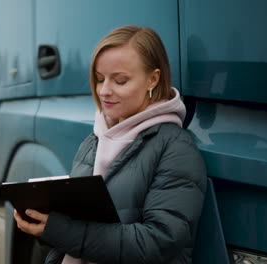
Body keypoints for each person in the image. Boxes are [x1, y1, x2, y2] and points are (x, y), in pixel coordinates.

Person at [13, 25, 206, 264]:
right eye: (99, 79)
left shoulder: (176, 148)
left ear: (153, 79)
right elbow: (77, 228)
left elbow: (159, 241)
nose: (104, 91)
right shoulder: (94, 140)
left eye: (120, 80)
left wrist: (61, 230)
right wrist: (43, 224)